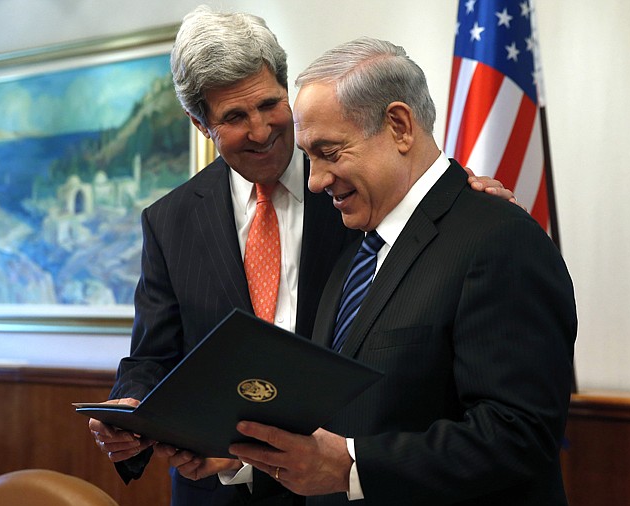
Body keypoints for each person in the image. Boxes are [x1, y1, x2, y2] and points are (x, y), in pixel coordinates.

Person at [88, 8, 521, 506]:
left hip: (352, 481)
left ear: (285, 86)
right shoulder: (170, 221)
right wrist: (131, 408)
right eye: (232, 117)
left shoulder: (356, 190)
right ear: (199, 123)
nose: (260, 130)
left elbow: (425, 213)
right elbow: (153, 355)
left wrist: (461, 197)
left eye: (270, 104)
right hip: (220, 484)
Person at [224, 37, 577, 505]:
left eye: (328, 152)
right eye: (309, 157)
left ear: (399, 126)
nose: (314, 180)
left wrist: (352, 465)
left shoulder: (499, 239)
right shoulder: (356, 251)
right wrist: (242, 459)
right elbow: (340, 421)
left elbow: (519, 434)